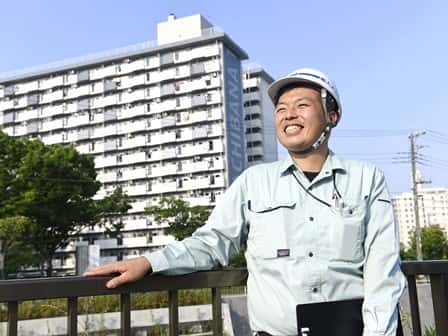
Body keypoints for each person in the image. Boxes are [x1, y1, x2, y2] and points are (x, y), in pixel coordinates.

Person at [85, 68, 406, 335]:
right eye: (281, 108)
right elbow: (213, 242)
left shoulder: (366, 178)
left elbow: (383, 270)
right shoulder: (254, 182)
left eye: (302, 105)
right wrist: (151, 262)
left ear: (331, 116)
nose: (289, 114)